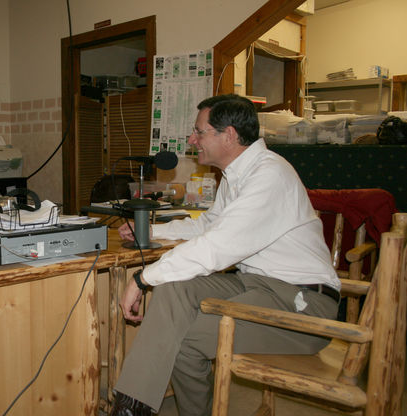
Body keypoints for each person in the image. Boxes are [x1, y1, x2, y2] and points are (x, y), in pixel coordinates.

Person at [110, 94, 340, 416]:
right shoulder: (236, 175)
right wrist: (151, 231)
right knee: (177, 286)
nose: (192, 140)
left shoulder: (268, 175)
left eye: (199, 132)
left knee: (183, 338)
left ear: (228, 135)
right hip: (258, 286)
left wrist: (142, 277)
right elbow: (209, 225)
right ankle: (131, 407)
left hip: (304, 307)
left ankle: (131, 410)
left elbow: (217, 247)